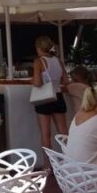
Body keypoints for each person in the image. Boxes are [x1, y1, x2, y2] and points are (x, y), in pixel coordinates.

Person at [31, 35, 70, 166]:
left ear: (39, 47)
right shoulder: (58, 61)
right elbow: (66, 81)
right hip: (58, 97)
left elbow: (37, 83)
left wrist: (32, 80)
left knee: (46, 134)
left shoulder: (38, 62)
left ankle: (49, 166)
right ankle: (70, 163)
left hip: (44, 99)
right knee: (64, 133)